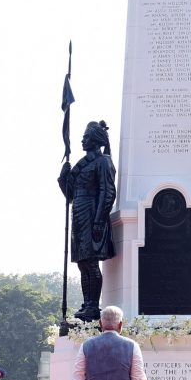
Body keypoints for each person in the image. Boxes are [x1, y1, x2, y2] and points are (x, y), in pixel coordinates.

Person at [57, 120, 117, 322]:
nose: (82, 140)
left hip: (92, 214)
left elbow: (107, 192)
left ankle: (93, 305)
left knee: (91, 263)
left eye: (86, 137)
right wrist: (63, 178)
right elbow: (71, 195)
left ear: (96, 139)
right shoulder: (83, 164)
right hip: (79, 214)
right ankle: (86, 303)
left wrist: (99, 220)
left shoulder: (103, 162)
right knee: (82, 263)